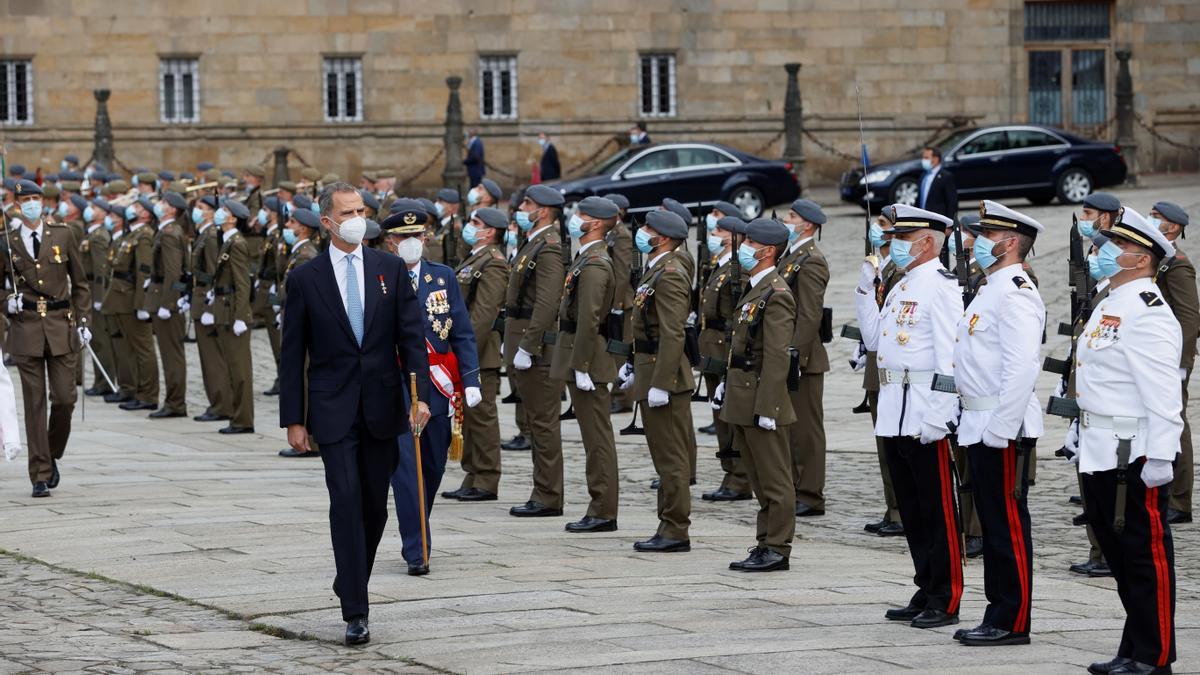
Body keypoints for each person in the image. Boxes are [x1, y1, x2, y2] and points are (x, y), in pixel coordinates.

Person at [279, 183, 431, 647]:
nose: (357, 218)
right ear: (326, 221)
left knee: (373, 506)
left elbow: (411, 336)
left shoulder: (389, 268)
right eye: (347, 211)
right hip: (332, 408)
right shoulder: (306, 278)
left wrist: (419, 395)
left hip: (383, 405)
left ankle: (350, 578)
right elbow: (292, 354)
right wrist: (294, 418)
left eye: (362, 210)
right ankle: (356, 610)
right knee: (344, 501)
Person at [1075, 208, 1180, 674]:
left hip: (1132, 451)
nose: (1103, 252)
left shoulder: (1148, 310)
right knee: (1120, 557)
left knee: (1144, 556)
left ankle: (1154, 655)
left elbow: (1162, 391)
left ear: (1141, 259)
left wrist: (1162, 454)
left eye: (1115, 247)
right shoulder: (1110, 301)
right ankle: (1134, 644)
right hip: (1101, 445)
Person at [855, 203, 963, 630]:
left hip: (923, 411)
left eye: (902, 238)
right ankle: (925, 584)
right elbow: (873, 338)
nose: (893, 244)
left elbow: (950, 358)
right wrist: (866, 290)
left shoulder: (940, 286)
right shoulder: (901, 284)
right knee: (913, 508)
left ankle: (947, 593)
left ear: (926, 243)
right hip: (895, 408)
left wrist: (939, 413)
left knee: (937, 508)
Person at [952, 201, 1046, 647]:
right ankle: (998, 611)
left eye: (988, 236)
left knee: (1006, 524)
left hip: (999, 427)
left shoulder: (1015, 291)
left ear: (1010, 243)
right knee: (991, 523)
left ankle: (1012, 619)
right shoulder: (991, 287)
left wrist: (1001, 429)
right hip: (980, 421)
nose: (980, 242)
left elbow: (1022, 367)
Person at [382, 199, 481, 575]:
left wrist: (470, 379)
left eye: (417, 235)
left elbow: (462, 332)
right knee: (407, 472)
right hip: (397, 387)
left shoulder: (443, 278)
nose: (411, 241)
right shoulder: (379, 276)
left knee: (434, 467)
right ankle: (417, 549)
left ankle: (416, 524)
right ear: (390, 241)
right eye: (403, 236)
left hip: (438, 389)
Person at [1, 179, 92, 498]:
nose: (32, 204)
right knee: (35, 403)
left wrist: (83, 321)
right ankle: (39, 472)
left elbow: (80, 283)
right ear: (16, 205)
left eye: (37, 198)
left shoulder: (63, 234)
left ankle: (51, 453)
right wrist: (6, 301)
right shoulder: (6, 240)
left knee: (66, 399)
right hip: (25, 327)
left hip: (61, 325)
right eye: (26, 199)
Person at [717, 218, 797, 572]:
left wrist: (768, 406)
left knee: (775, 479)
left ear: (766, 251)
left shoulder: (776, 294)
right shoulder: (756, 289)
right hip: (743, 395)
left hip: (762, 400)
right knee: (758, 476)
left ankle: (778, 548)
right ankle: (764, 542)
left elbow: (778, 357)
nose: (743, 247)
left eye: (750, 242)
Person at [618, 210, 693, 552]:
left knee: (670, 457)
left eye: (648, 228)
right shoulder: (658, 267)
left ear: (662, 237)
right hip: (649, 369)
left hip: (665, 377)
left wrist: (661, 382)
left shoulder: (671, 273)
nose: (642, 232)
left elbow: (672, 332)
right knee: (663, 455)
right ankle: (667, 523)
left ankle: (675, 529)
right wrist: (633, 363)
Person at [551, 197, 620, 533]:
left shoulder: (594, 264)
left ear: (594, 224)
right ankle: (600, 506)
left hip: (589, 363)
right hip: (582, 358)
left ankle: (603, 509)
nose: (574, 219)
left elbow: (590, 319)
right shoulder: (587, 257)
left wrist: (581, 365)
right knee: (593, 436)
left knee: (597, 438)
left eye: (581, 215)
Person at [503, 185, 567, 517]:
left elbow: (547, 301)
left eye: (526, 203)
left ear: (542, 211)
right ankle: (542, 490)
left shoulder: (549, 247)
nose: (521, 207)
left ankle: (548, 495)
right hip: (523, 337)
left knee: (542, 422)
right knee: (535, 419)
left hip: (538, 347)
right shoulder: (536, 242)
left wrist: (528, 344)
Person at [443, 207, 510, 501]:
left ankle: (487, 478)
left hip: (480, 353)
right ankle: (472, 474)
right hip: (469, 351)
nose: (469, 227)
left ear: (490, 231)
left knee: (482, 416)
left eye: (475, 223)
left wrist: (462, 349)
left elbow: (483, 314)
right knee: (468, 416)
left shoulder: (494, 263)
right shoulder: (474, 258)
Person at [778, 199, 830, 516]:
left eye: (792, 216)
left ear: (807, 225)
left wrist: (793, 355)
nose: (786, 219)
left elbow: (809, 316)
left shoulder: (811, 261)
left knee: (807, 431)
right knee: (792, 430)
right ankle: (797, 487)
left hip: (804, 360)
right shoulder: (793, 256)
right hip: (791, 356)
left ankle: (810, 495)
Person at [1150, 201, 1198, 526]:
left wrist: (1179, 364)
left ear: (1174, 228)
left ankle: (1180, 501)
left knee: (1175, 421)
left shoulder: (1177, 265)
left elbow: (1189, 317)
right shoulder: (1157, 259)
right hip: (1157, 356)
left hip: (1173, 358)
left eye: (1159, 219)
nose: (1153, 221)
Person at [699, 213, 752, 502]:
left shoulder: (736, 272)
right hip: (711, 348)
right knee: (719, 415)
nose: (713, 233)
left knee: (730, 416)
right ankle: (730, 472)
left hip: (724, 348)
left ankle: (740, 478)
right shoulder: (718, 267)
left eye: (719, 230)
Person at [859, 206, 905, 538]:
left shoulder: (900, 274)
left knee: (895, 447)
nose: (877, 229)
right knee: (883, 446)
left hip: (894, 369)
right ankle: (893, 508)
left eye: (883, 225)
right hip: (876, 367)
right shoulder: (881, 269)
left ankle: (901, 510)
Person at [203, 199, 255, 434]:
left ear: (233, 218)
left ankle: (243, 420)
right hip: (224, 308)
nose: (219, 214)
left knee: (239, 369)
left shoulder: (237, 243)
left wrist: (241, 316)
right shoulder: (228, 241)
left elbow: (243, 283)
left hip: (233, 310)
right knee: (231, 367)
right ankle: (237, 416)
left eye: (224, 211)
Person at [275, 207, 322, 458]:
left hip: (306, 325)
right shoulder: (299, 252)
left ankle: (311, 440)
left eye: (292, 222)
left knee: (305, 377)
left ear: (303, 228)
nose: (288, 226)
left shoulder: (306, 254)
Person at [104, 197, 159, 411]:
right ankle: (136, 390)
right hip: (121, 298)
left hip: (131, 299)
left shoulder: (144, 236)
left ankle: (148, 395)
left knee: (143, 349)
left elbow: (143, 272)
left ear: (146, 214)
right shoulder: (133, 234)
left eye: (137, 207)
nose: (131, 209)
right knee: (131, 348)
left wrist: (142, 304)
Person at [141, 191, 189, 418]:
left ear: (171, 209)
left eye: (163, 203)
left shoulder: (170, 233)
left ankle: (176, 403)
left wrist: (168, 304)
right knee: (169, 354)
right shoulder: (167, 230)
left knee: (172, 356)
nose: (158, 206)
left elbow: (173, 272)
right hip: (161, 296)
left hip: (166, 302)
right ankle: (173, 401)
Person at [188, 196, 233, 424]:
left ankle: (221, 404)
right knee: (208, 358)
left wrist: (208, 305)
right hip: (199, 299)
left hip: (206, 301)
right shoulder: (204, 235)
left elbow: (214, 274)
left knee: (213, 358)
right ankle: (217, 402)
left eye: (201, 208)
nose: (196, 211)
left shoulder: (211, 237)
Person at [602, 193, 635, 415]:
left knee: (620, 352)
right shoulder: (610, 233)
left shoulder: (621, 235)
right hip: (614, 300)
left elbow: (622, 272)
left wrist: (616, 304)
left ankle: (623, 398)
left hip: (622, 302)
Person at [80, 197, 117, 398]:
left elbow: (101, 269)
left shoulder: (99, 236)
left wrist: (100, 297)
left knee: (101, 340)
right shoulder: (92, 234)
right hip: (90, 288)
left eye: (95, 208)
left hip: (96, 290)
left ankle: (105, 381)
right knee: (95, 339)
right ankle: (99, 380)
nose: (90, 210)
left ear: (103, 213)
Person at [253, 196, 285, 397]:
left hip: (272, 290)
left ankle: (283, 378)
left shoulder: (279, 237)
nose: (262, 212)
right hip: (264, 288)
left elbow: (280, 268)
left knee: (277, 340)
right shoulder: (270, 235)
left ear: (273, 213)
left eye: (265, 209)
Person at [918, 146, 957, 222]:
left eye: (926, 158)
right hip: (923, 220)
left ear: (935, 159)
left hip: (938, 221)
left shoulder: (946, 177)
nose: (923, 160)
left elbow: (952, 203)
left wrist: (950, 223)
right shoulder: (923, 175)